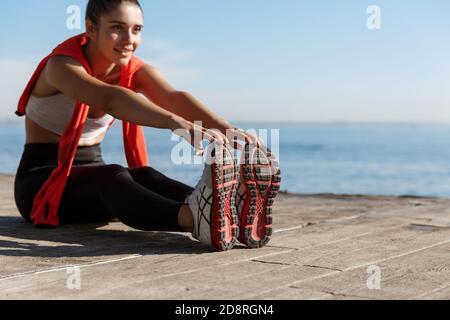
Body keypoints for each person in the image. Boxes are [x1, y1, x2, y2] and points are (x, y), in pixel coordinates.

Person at [14, 0, 280, 252]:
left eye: (136, 30)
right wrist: (178, 125)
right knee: (114, 175)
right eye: (116, 28)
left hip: (91, 180)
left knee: (144, 175)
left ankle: (230, 212)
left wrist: (224, 127)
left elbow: (172, 98)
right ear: (91, 28)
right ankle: (193, 218)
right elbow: (111, 99)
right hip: (42, 184)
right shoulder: (60, 66)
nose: (129, 40)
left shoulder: (131, 69)